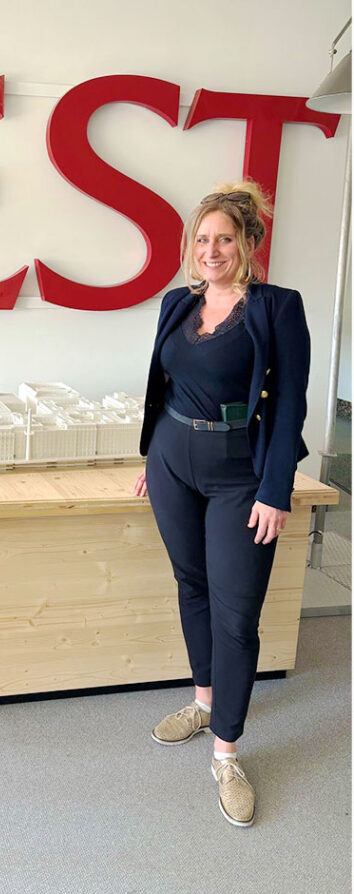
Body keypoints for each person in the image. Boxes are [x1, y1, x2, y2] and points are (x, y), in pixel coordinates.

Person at [133, 182, 310, 827]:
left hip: (240, 473)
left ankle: (227, 753)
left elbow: (289, 404)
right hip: (172, 462)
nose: (211, 251)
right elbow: (164, 385)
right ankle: (204, 701)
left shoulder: (277, 307)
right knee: (192, 586)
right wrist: (151, 458)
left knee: (237, 614)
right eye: (202, 239)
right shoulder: (177, 304)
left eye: (224, 239)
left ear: (248, 243)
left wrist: (275, 489)